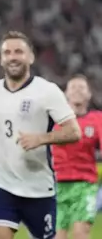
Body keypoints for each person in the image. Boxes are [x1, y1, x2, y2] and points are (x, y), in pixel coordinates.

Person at [0, 31, 82, 239]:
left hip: (39, 187)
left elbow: (74, 131)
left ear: (30, 57)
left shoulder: (47, 91)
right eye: (7, 52)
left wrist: (42, 138)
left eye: (19, 52)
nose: (12, 57)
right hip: (1, 183)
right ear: (1, 58)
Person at [53, 74, 102, 239]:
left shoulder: (97, 119)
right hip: (57, 184)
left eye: (82, 87)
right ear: (66, 93)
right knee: (57, 235)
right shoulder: (54, 119)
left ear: (89, 94)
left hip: (85, 185)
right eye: (73, 87)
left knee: (81, 233)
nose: (77, 91)